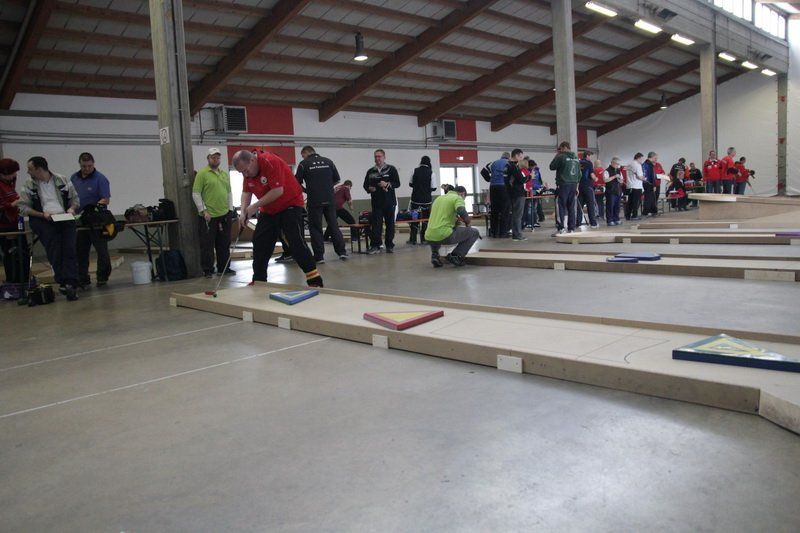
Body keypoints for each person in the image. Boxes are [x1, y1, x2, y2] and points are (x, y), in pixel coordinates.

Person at [232, 149, 322, 288]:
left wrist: (255, 206)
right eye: (241, 172)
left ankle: (314, 280)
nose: (245, 174)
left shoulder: (270, 162)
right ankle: (259, 280)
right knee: (260, 242)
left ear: (252, 160)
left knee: (295, 241)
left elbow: (278, 191)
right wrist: (243, 212)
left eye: (245, 170)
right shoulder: (248, 171)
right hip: (269, 209)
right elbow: (246, 192)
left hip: (290, 204)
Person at [17, 156, 81, 301]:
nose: (28, 172)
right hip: (43, 220)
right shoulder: (29, 184)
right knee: (55, 248)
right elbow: (23, 207)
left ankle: (71, 283)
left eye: (30, 169)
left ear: (39, 169)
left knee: (69, 248)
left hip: (63, 217)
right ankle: (63, 280)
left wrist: (71, 209)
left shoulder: (62, 180)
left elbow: (75, 199)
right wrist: (42, 214)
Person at [295, 145, 348, 263]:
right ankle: (342, 252)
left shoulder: (304, 164)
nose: (303, 158)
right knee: (333, 226)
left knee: (316, 228)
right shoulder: (328, 161)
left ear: (306, 153)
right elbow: (337, 180)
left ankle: (319, 257)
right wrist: (327, 187)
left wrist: (306, 190)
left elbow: (296, 182)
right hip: (330, 199)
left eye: (303, 156)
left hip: (314, 200)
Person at [192, 147, 234, 278]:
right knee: (207, 245)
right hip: (208, 216)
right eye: (213, 157)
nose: (216, 159)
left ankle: (224, 268)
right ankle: (208, 269)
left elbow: (229, 192)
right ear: (208, 159)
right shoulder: (202, 174)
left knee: (224, 243)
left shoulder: (224, 174)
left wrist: (230, 209)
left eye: (217, 157)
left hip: (224, 214)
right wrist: (203, 210)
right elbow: (196, 193)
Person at [425, 185, 480, 268]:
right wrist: (468, 223)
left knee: (436, 231)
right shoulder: (457, 198)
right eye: (464, 198)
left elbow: (441, 218)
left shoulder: (438, 198)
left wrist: (455, 220)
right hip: (444, 235)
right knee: (474, 232)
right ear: (462, 194)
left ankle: (435, 255)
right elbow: (461, 210)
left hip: (429, 235)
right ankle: (456, 256)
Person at [363, 149, 400, 254]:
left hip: (389, 202)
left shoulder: (391, 169)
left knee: (390, 225)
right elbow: (365, 185)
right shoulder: (370, 171)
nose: (377, 158)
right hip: (376, 202)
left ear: (384, 157)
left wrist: (387, 184)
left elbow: (397, 183)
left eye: (379, 156)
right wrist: (369, 188)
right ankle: (376, 245)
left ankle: (389, 245)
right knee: (376, 225)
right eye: (375, 156)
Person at [0, 158, 30, 287]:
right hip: (5, 225)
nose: (14, 176)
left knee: (23, 252)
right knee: (11, 254)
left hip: (16, 221)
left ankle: (24, 279)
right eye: (12, 173)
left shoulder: (9, 183)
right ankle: (14, 281)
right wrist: (13, 204)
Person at [549, 141, 581, 234]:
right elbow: (579, 174)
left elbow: (551, 166)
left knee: (560, 206)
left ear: (564, 147)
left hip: (563, 184)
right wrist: (577, 187)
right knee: (571, 207)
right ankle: (571, 228)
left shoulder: (561, 156)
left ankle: (561, 228)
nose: (560, 150)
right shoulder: (576, 158)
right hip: (573, 185)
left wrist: (557, 155)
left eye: (560, 149)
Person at [408, 155, 436, 245]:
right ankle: (424, 239)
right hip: (426, 201)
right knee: (425, 220)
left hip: (415, 200)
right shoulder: (431, 173)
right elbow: (434, 187)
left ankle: (413, 239)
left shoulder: (414, 170)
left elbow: (410, 184)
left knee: (414, 220)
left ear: (421, 161)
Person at [505, 148, 528, 241]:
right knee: (518, 215)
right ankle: (517, 234)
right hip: (518, 193)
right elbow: (521, 179)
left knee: (515, 214)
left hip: (511, 192)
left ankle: (515, 234)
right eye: (521, 156)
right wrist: (529, 176)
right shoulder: (513, 166)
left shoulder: (507, 166)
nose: (522, 158)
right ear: (516, 155)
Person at [488, 152, 511, 238]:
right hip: (503, 187)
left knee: (494, 210)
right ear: (508, 157)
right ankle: (503, 233)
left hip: (493, 187)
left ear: (501, 157)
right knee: (505, 211)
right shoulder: (509, 163)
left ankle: (494, 232)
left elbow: (489, 173)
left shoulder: (494, 163)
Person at [576, 151, 598, 228]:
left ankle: (578, 223)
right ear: (587, 156)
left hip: (579, 187)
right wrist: (596, 178)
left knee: (580, 206)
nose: (590, 158)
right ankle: (593, 223)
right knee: (590, 205)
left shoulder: (578, 162)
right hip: (588, 186)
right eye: (590, 156)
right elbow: (592, 175)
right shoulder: (589, 163)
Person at [603, 157, 623, 226]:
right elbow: (605, 180)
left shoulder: (619, 171)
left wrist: (620, 179)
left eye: (618, 164)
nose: (618, 165)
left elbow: (621, 181)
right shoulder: (607, 171)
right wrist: (614, 176)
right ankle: (610, 220)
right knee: (610, 206)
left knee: (617, 206)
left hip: (618, 191)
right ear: (612, 163)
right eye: (617, 164)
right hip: (610, 191)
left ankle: (616, 219)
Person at [625, 153, 645, 221]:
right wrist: (644, 178)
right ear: (638, 158)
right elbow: (639, 177)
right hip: (637, 186)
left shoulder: (629, 164)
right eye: (641, 159)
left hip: (630, 185)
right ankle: (634, 215)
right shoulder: (638, 165)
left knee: (630, 201)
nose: (642, 161)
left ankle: (627, 215)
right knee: (636, 202)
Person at [641, 152, 658, 217]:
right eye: (655, 158)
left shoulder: (646, 164)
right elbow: (651, 176)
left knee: (652, 198)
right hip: (648, 183)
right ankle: (645, 212)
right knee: (648, 198)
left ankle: (653, 211)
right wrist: (654, 185)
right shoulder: (648, 165)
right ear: (651, 157)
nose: (656, 159)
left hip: (647, 183)